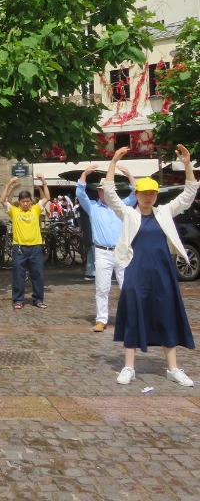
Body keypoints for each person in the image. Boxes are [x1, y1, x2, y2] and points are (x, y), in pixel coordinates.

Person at [105, 145, 198, 387]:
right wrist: (113, 162)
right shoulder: (129, 214)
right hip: (137, 271)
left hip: (163, 272)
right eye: (144, 192)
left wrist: (187, 163)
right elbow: (109, 191)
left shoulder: (165, 212)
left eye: (152, 193)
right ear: (136, 194)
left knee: (167, 313)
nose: (148, 196)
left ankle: (173, 369)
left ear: (157, 195)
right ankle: (129, 367)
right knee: (135, 313)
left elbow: (189, 193)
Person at [76, 165, 136, 332]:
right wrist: (84, 175)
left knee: (127, 286)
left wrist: (129, 174)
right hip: (102, 251)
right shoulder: (93, 207)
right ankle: (101, 319)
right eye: (102, 190)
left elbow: (135, 193)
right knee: (102, 288)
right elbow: (80, 194)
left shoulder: (122, 206)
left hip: (121, 251)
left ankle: (130, 318)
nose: (105, 193)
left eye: (107, 190)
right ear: (99, 192)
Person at [0, 174, 50, 309]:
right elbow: (3, 200)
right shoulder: (14, 211)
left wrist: (44, 182)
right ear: (20, 202)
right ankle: (18, 300)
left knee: (38, 274)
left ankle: (38, 299)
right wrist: (9, 185)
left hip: (35, 247)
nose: (26, 203)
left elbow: (47, 198)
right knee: (18, 275)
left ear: (31, 201)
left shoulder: (36, 209)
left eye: (28, 201)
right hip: (20, 248)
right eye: (23, 201)